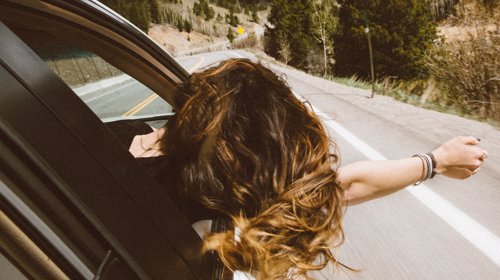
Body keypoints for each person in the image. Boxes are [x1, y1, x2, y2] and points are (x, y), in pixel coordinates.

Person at [110, 58, 488, 279]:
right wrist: (435, 162)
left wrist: (436, 162)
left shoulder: (106, 139)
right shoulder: (212, 197)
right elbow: (346, 185)